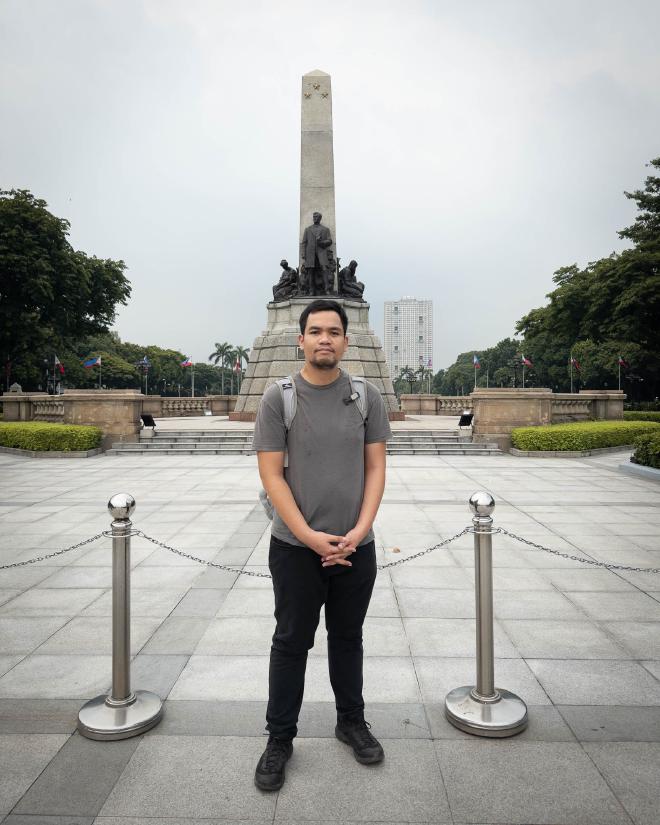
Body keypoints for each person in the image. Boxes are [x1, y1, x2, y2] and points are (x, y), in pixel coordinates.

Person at [252, 298, 392, 791]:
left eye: (334, 331)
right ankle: (279, 739)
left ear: (346, 341)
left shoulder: (366, 396)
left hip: (356, 545)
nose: (325, 339)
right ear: (302, 339)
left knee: (348, 638)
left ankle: (351, 721)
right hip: (295, 548)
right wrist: (311, 538)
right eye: (316, 331)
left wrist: (359, 530)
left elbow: (376, 468)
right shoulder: (279, 398)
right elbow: (272, 476)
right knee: (290, 642)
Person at [299, 211, 334, 295]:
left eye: (316, 217)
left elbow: (329, 241)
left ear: (320, 218)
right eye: (314, 217)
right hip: (310, 253)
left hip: (321, 252)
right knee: (310, 271)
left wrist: (321, 242)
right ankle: (311, 290)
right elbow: (304, 242)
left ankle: (327, 289)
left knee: (324, 269)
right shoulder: (308, 229)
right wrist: (303, 253)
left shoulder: (325, 229)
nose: (314, 218)